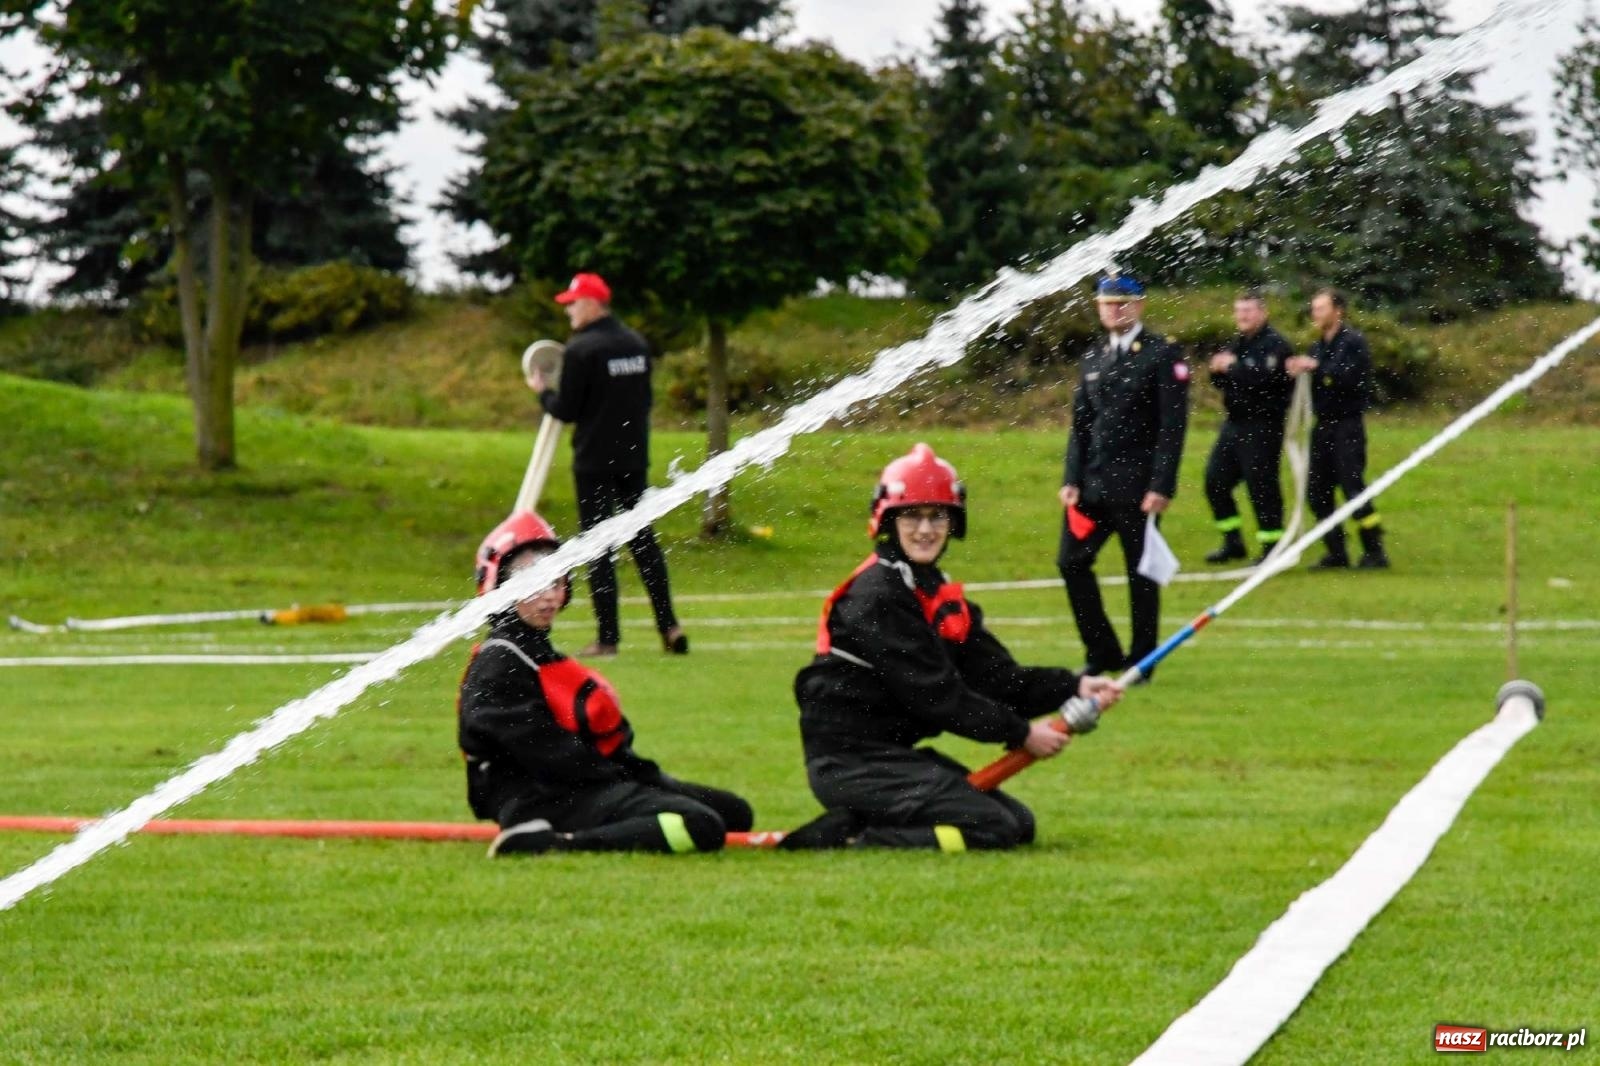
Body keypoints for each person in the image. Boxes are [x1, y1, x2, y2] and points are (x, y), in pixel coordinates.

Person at [782, 443, 1123, 852]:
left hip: (895, 758)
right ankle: (852, 838)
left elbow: (997, 677)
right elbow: (936, 696)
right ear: (888, 520)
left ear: (953, 522)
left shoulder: (933, 591)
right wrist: (1022, 734)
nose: (925, 529)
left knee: (1019, 824)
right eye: (912, 516)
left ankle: (867, 822)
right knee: (993, 828)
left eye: (937, 516)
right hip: (852, 765)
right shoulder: (877, 596)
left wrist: (1074, 687)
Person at [459, 511, 752, 857]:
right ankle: (554, 844)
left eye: (555, 582)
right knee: (702, 825)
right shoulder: (499, 661)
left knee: (735, 813)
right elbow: (542, 751)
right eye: (534, 585)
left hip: (577, 786)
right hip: (540, 799)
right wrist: (617, 777)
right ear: (500, 587)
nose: (549, 597)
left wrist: (642, 776)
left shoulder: (533, 652)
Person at [527, 271, 687, 657]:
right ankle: (670, 627)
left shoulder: (582, 350)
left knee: (599, 547)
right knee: (644, 542)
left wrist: (542, 392)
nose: (569, 312)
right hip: (633, 457)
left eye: (572, 304)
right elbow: (645, 401)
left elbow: (566, 410)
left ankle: (608, 639)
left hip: (594, 460)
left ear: (591, 304)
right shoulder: (636, 344)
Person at [1058, 273, 1190, 677]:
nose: (1114, 310)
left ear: (1139, 305)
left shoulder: (1161, 353)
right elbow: (1081, 425)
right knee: (1071, 562)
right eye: (1107, 304)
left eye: (1122, 303)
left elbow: (1172, 426)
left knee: (1141, 574)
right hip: (1093, 486)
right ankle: (1102, 652)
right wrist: (1071, 479)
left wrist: (1161, 485)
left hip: (1137, 487)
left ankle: (1142, 659)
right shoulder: (1094, 357)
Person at [1287, 288, 1390, 569]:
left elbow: (1346, 378)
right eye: (1314, 309)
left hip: (1347, 425)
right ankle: (1336, 551)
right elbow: (1316, 381)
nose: (1315, 314)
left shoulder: (1353, 343)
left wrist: (1317, 368)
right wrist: (1296, 371)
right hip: (1323, 427)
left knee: (1352, 487)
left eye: (1321, 309)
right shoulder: (1317, 346)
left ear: (1338, 311)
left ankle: (1374, 549)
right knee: (1317, 491)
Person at [1203, 290, 1295, 566]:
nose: (1242, 316)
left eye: (1248, 310)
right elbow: (1226, 380)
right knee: (1215, 481)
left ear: (1263, 313)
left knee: (1261, 485)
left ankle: (1272, 545)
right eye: (1238, 311)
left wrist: (1234, 367)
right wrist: (1216, 370)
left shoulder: (1276, 345)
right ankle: (1233, 541)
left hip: (1263, 424)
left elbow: (1264, 379)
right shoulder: (1238, 343)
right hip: (1234, 422)